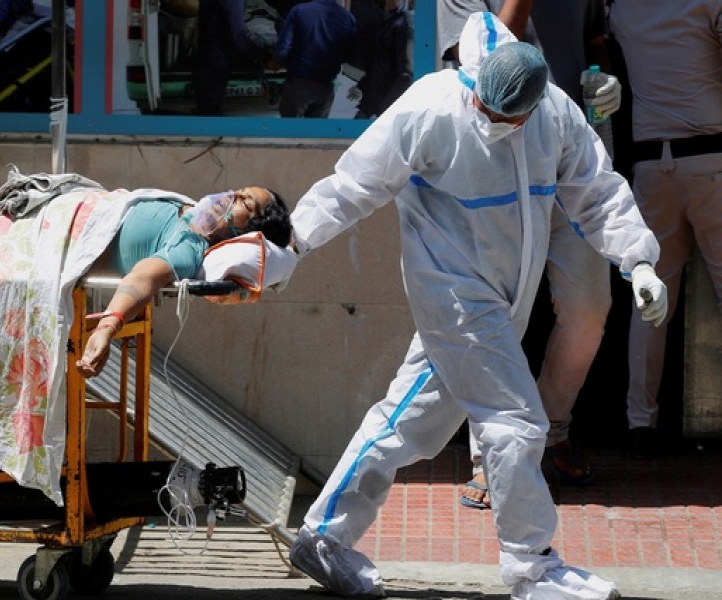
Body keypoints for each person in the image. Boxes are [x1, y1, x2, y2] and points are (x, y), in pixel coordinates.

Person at [284, 12, 666, 599]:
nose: (494, 123)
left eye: (508, 117)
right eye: (486, 110)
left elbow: (597, 191)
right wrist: (289, 246)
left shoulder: (555, 114)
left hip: (503, 300)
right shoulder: (429, 109)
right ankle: (531, 566)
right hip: (453, 295)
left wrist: (638, 260)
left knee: (408, 421)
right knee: (515, 419)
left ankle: (321, 535)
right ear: (471, 80)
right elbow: (351, 187)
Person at [438, 0, 623, 509]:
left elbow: (593, 47)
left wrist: (603, 83)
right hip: (496, 159)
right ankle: (494, 455)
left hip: (570, 154)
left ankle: (552, 424)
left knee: (589, 310)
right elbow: (482, 63)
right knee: (492, 311)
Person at [607, 0, 722, 459]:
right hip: (711, 158)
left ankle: (641, 421)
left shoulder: (623, 11)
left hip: (652, 164)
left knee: (651, 298)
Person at [76, 187, 292, 378]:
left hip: (70, 223)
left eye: (244, 202)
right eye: (238, 191)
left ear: (246, 231)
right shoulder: (190, 213)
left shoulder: (188, 249)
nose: (231, 196)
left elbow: (143, 277)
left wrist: (106, 328)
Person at [273, 0, 357, 118]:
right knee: (316, 133)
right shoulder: (347, 17)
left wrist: (287, 63)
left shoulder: (299, 11)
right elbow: (349, 55)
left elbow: (282, 50)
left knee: (290, 132)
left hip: (298, 83)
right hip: (326, 86)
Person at [193, 0, 266, 116]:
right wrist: (265, 58)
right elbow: (238, 39)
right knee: (211, 115)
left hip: (206, 60)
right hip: (217, 63)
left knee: (206, 113)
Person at [349, 0, 414, 120]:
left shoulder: (401, 25)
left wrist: (383, 110)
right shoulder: (387, 23)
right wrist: (362, 85)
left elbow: (405, 74)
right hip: (372, 102)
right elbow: (377, 64)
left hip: (382, 105)